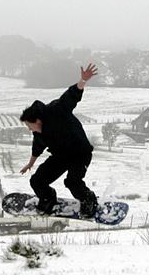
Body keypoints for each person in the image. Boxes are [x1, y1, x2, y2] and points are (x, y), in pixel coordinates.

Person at [19, 63, 99, 217]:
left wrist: (82, 81)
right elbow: (37, 148)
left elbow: (70, 96)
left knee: (72, 182)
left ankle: (89, 201)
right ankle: (48, 199)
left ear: (36, 120)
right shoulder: (39, 133)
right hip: (61, 157)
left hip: (80, 153)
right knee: (37, 181)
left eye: (29, 125)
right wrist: (30, 163)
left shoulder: (56, 110)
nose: (29, 129)